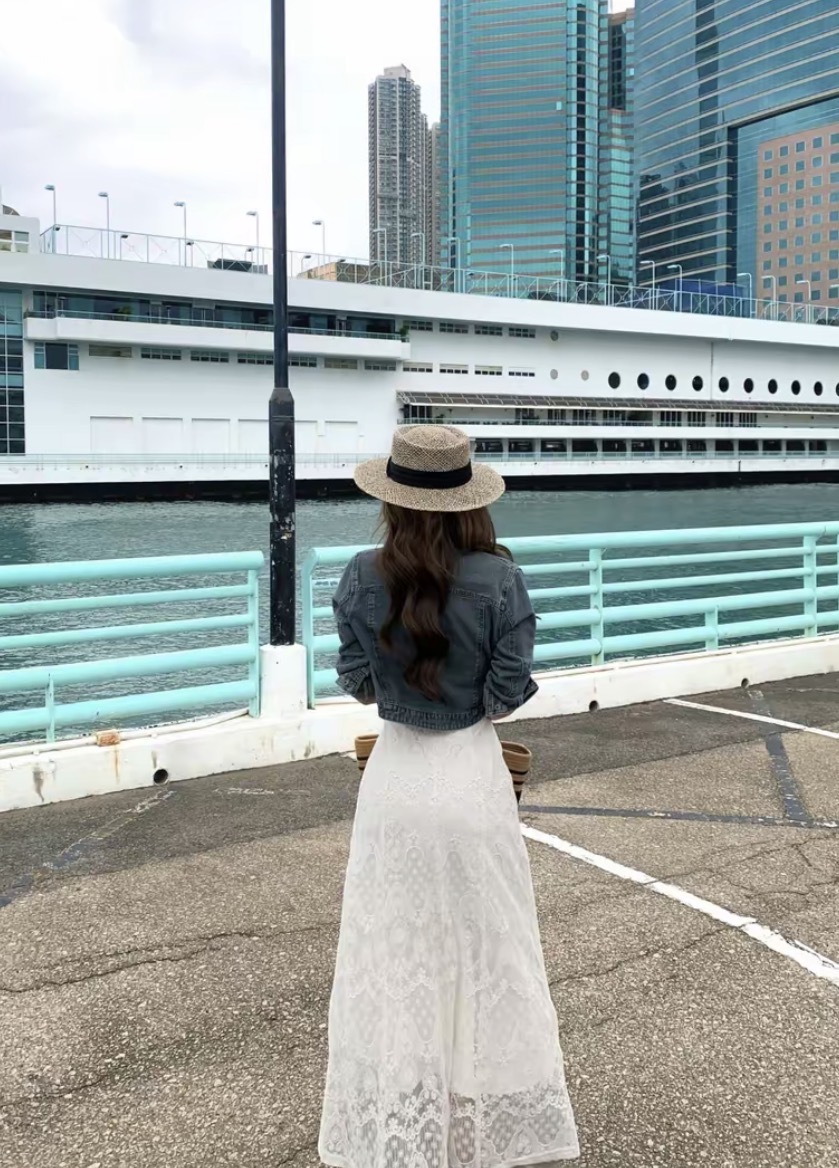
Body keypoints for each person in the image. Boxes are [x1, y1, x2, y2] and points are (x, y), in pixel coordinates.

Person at [318, 425, 580, 1168]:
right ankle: (477, 1119)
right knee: (486, 947)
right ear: (470, 502)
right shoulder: (500, 579)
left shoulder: (360, 574)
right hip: (471, 780)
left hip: (395, 783)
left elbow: (357, 680)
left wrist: (399, 688)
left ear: (392, 500)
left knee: (396, 948)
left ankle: (405, 1114)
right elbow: (504, 694)